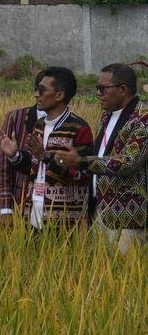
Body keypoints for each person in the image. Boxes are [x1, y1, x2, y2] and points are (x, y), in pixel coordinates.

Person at [54, 63, 148, 252]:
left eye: (102, 88)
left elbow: (128, 162)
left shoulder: (143, 118)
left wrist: (82, 161)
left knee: (122, 270)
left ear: (122, 90)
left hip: (125, 217)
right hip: (98, 209)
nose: (98, 93)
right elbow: (101, 155)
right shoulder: (106, 116)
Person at [0, 66, 92, 230]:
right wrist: (15, 156)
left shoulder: (78, 128)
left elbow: (83, 174)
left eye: (42, 90)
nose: (36, 95)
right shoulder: (39, 125)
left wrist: (45, 156)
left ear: (59, 95)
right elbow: (34, 167)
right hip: (32, 214)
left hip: (64, 221)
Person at [0, 97, 40, 226]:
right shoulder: (17, 117)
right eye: (37, 89)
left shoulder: (73, 125)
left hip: (57, 212)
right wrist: (5, 208)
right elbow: (3, 167)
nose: (37, 94)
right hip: (21, 204)